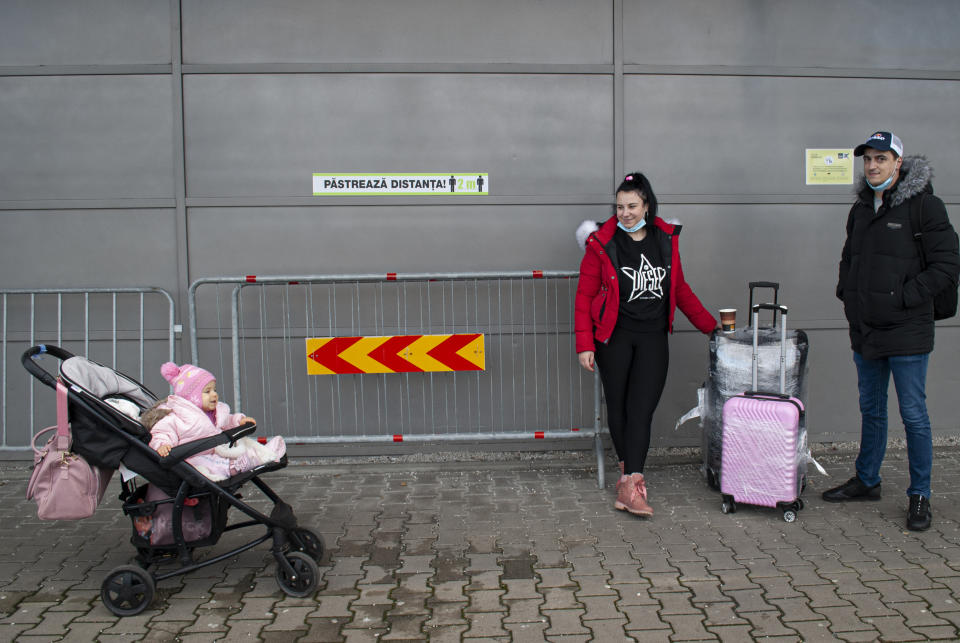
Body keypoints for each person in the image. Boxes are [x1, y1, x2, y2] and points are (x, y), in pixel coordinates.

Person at [825, 131, 959, 532]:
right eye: (867, 159)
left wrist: (905, 297)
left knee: (913, 415)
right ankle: (867, 480)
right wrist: (847, 294)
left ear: (898, 163)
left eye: (881, 159)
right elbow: (850, 258)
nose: (872, 166)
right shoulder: (861, 209)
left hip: (907, 329)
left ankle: (920, 495)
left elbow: (948, 264)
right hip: (866, 329)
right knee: (872, 409)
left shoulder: (926, 207)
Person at [575, 172, 717, 517]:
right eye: (620, 206)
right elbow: (585, 295)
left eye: (632, 206)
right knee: (620, 409)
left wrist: (712, 328)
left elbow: (679, 290)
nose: (625, 213)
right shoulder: (602, 243)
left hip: (653, 338)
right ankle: (629, 482)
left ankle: (632, 482)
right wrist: (585, 343)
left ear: (647, 205)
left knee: (641, 409)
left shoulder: (664, 240)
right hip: (615, 338)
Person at [144, 362, 286, 481]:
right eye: (207, 391)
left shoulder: (214, 412)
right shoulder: (176, 415)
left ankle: (265, 453)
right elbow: (161, 432)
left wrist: (239, 420)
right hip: (192, 458)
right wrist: (162, 445)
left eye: (215, 390)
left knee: (241, 443)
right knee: (208, 464)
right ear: (190, 396)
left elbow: (226, 421)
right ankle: (237, 466)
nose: (214, 394)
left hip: (216, 450)